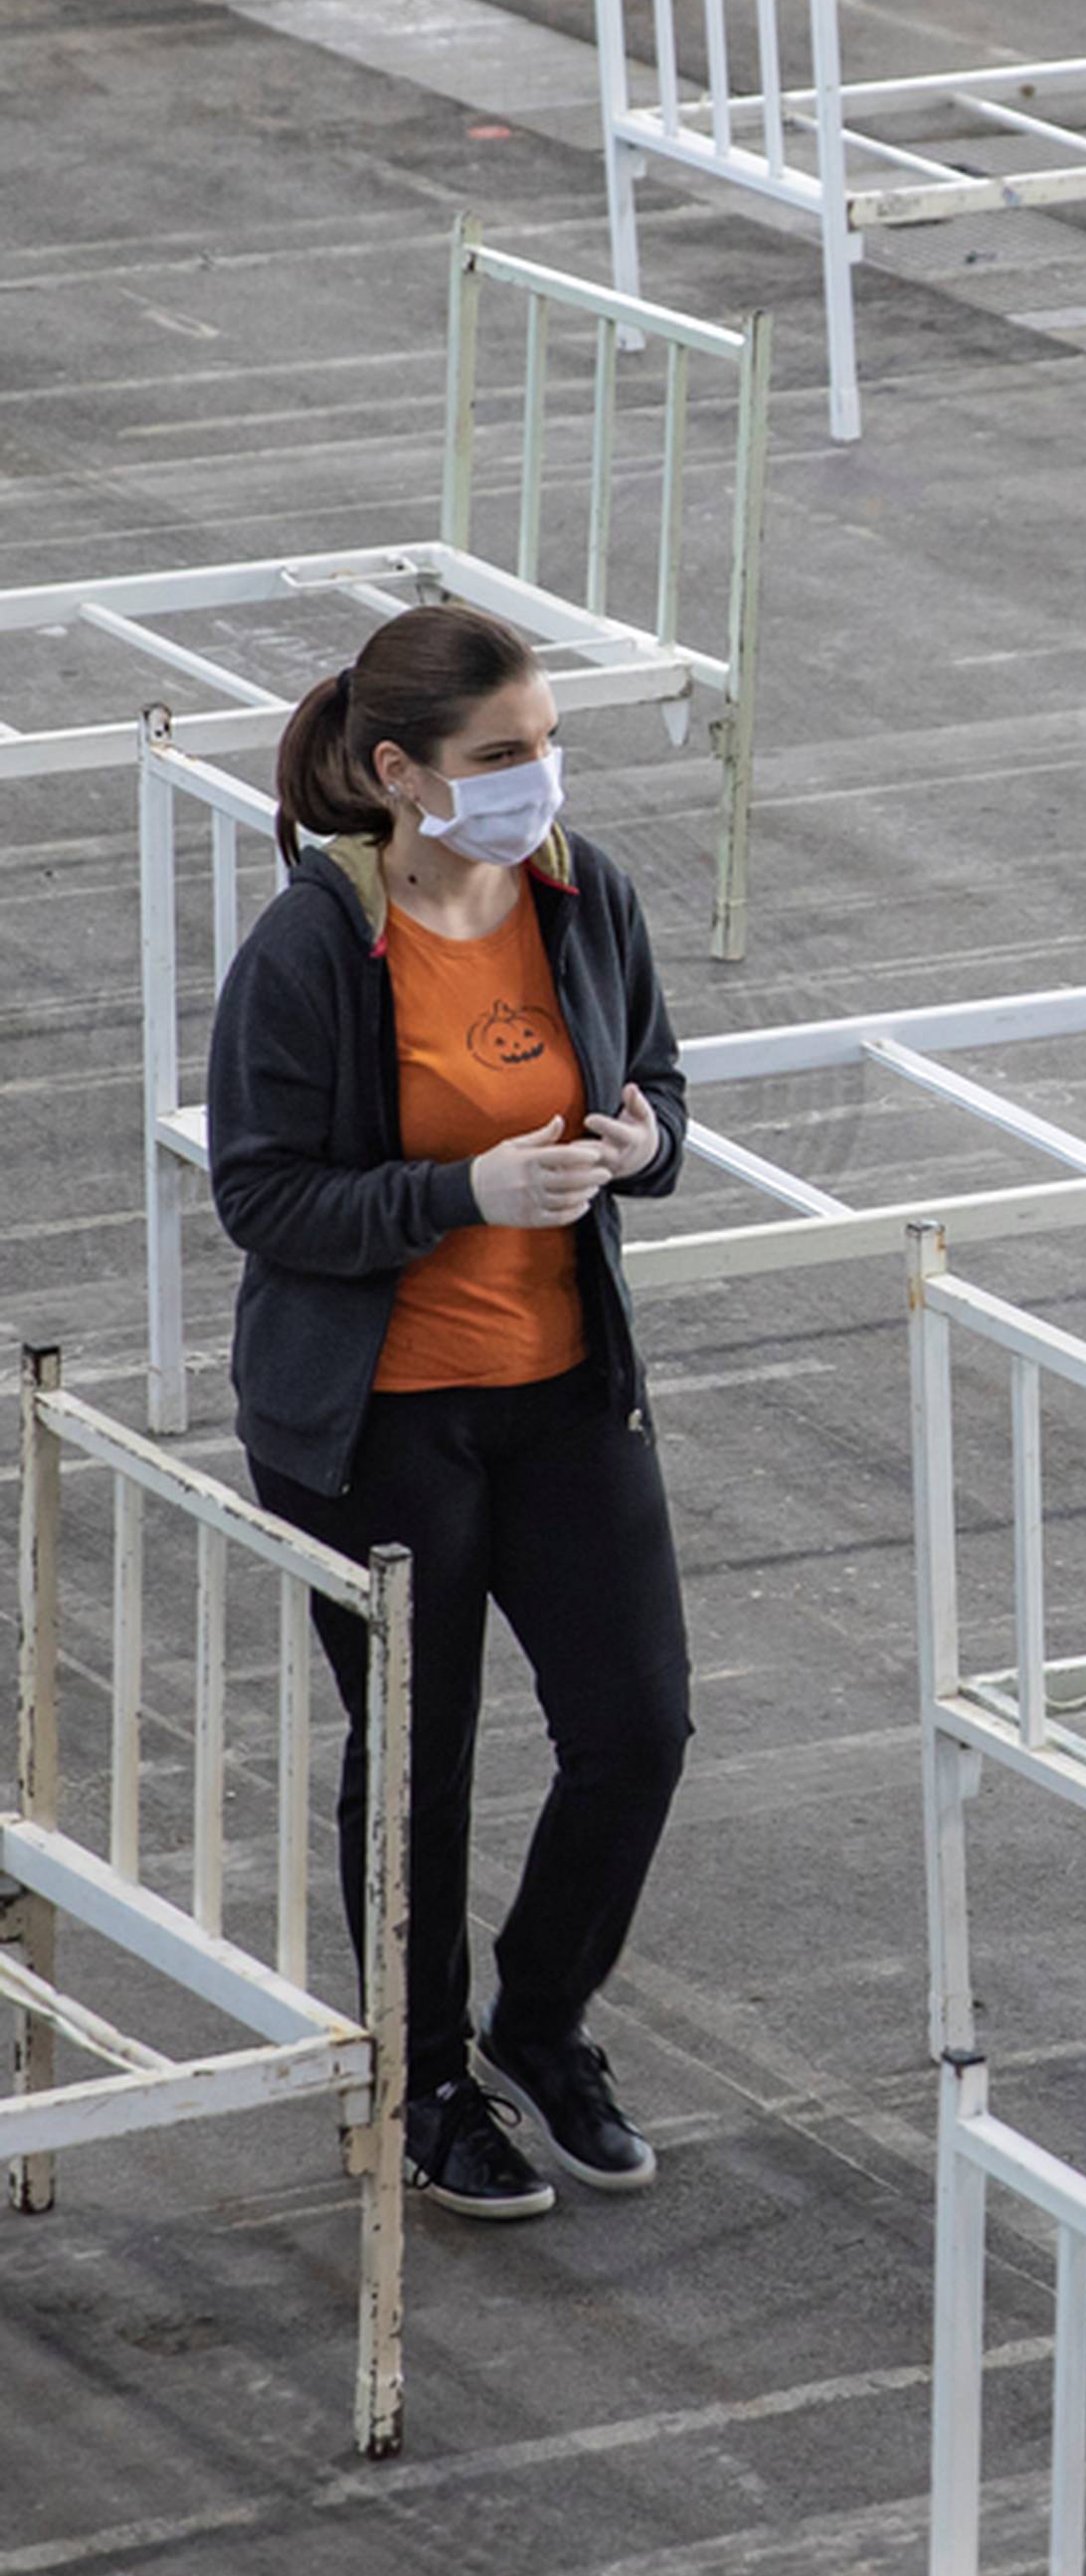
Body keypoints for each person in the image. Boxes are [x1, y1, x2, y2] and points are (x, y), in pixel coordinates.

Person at [207, 603, 692, 2223]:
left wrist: (638, 1146)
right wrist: (455, 1191)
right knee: (417, 1758)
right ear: (403, 774)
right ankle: (416, 2082)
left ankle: (537, 2027)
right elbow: (265, 1198)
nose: (538, 779)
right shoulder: (313, 947)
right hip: (382, 1423)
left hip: (562, 1392)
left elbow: (667, 1085)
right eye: (501, 758)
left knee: (636, 1731)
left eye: (547, 745)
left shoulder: (582, 891)